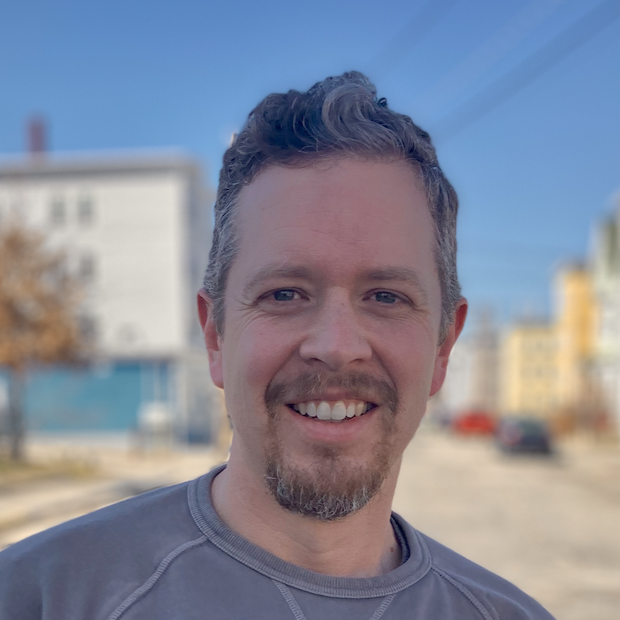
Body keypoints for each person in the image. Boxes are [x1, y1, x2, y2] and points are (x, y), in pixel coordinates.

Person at [0, 72, 555, 620]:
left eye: (386, 297)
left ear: (443, 346)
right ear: (215, 335)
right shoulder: (41, 598)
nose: (336, 346)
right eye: (284, 294)